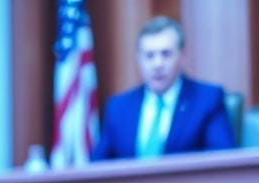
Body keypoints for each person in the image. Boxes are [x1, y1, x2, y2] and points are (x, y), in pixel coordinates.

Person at [90, 16, 234, 161]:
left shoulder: (207, 99)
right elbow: (98, 167)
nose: (157, 64)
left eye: (166, 54)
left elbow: (222, 163)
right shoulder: (118, 107)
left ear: (182, 56)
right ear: (138, 59)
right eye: (149, 55)